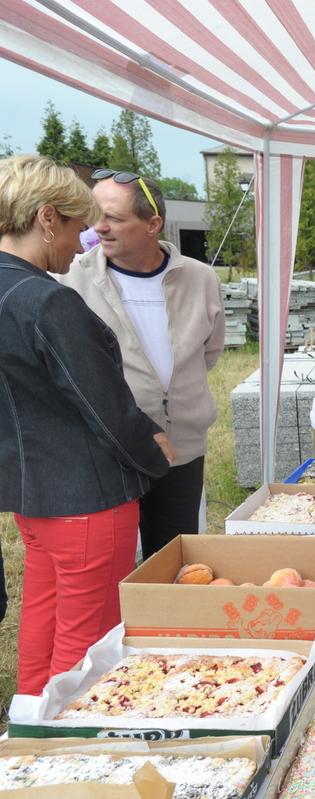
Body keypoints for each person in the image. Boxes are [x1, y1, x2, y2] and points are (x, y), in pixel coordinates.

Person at [0, 155, 171, 694]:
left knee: (43, 621)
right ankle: (68, 735)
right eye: (78, 228)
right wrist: (154, 451)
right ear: (47, 218)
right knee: (86, 648)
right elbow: (104, 407)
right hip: (87, 500)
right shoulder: (48, 301)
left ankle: (29, 719)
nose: (82, 246)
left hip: (31, 494)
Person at [60, 170, 223, 557]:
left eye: (113, 218)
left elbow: (209, 351)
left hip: (181, 449)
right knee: (111, 566)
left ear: (153, 224)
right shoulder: (71, 280)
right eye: (94, 216)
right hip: (108, 453)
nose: (99, 227)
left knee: (172, 559)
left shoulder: (200, 279)